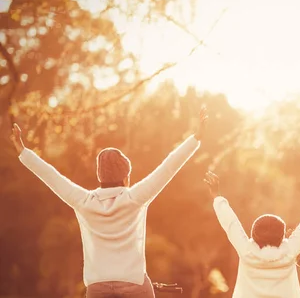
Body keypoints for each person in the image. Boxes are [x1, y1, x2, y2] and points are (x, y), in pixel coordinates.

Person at [11, 108, 208, 298]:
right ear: (125, 178)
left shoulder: (84, 201)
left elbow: (51, 176)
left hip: (97, 286)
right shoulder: (135, 198)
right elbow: (168, 167)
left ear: (100, 177)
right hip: (133, 283)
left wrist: (23, 151)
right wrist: (196, 138)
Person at [204, 171, 300, 298]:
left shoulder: (246, 251)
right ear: (282, 236)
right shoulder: (290, 250)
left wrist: (217, 196)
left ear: (253, 234)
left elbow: (230, 223)